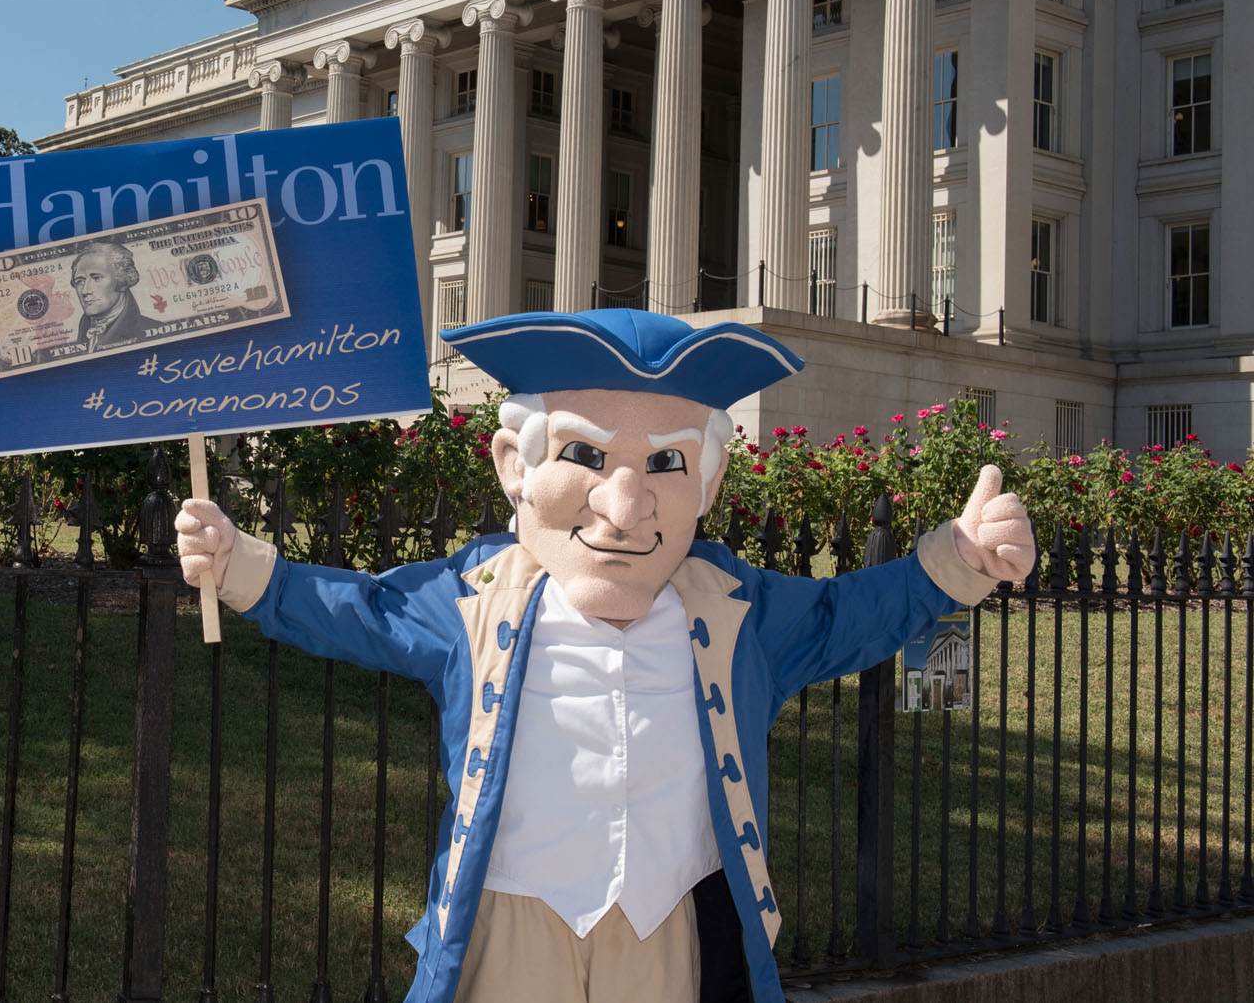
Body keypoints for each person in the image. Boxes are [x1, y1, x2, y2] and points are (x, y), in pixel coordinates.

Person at [176, 309, 1033, 1003]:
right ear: (516, 465)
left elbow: (849, 615)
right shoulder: (474, 602)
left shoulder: (739, 616)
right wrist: (241, 565)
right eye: (585, 455)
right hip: (515, 917)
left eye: (663, 463)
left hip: (666, 923)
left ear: (708, 485)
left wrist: (958, 559)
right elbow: (361, 612)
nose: (623, 507)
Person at [69, 241, 156, 352]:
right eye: (80, 281)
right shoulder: (82, 333)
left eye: (96, 278)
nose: (85, 291)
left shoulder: (151, 329)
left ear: (121, 280)